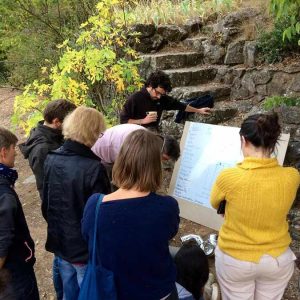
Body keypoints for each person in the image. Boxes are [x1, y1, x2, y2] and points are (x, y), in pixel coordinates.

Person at [210, 113, 300, 300]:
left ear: (243, 140)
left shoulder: (229, 177)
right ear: (274, 142)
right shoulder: (292, 176)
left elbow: (215, 202)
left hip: (235, 258)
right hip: (278, 259)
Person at [82, 129, 180, 300]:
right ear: (156, 167)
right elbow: (169, 233)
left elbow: (87, 237)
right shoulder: (167, 206)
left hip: (112, 292)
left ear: (121, 161)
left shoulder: (95, 205)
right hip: (157, 292)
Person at [42, 107, 111, 300]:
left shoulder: (51, 158)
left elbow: (46, 204)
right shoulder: (94, 168)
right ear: (92, 132)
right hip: (82, 249)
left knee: (68, 290)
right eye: (99, 132)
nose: (99, 136)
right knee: (88, 292)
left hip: (60, 243)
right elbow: (100, 216)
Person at [0, 127, 39, 299]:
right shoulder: (3, 194)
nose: (15, 153)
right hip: (13, 279)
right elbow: (3, 240)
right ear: (3, 152)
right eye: (13, 148)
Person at [19, 99, 76, 199]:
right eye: (70, 121)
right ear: (57, 122)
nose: (73, 125)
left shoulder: (53, 135)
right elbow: (48, 186)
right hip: (60, 202)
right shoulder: (43, 150)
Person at [120, 71, 212, 130]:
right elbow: (124, 120)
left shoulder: (162, 99)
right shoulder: (135, 99)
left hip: (153, 134)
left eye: (162, 94)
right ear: (151, 86)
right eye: (158, 93)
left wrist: (199, 110)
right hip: (134, 137)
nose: (159, 97)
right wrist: (143, 121)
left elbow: (181, 106)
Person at [92, 123, 180, 166]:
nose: (162, 161)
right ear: (162, 149)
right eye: (164, 158)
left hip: (104, 150)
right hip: (97, 152)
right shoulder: (142, 143)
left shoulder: (147, 136)